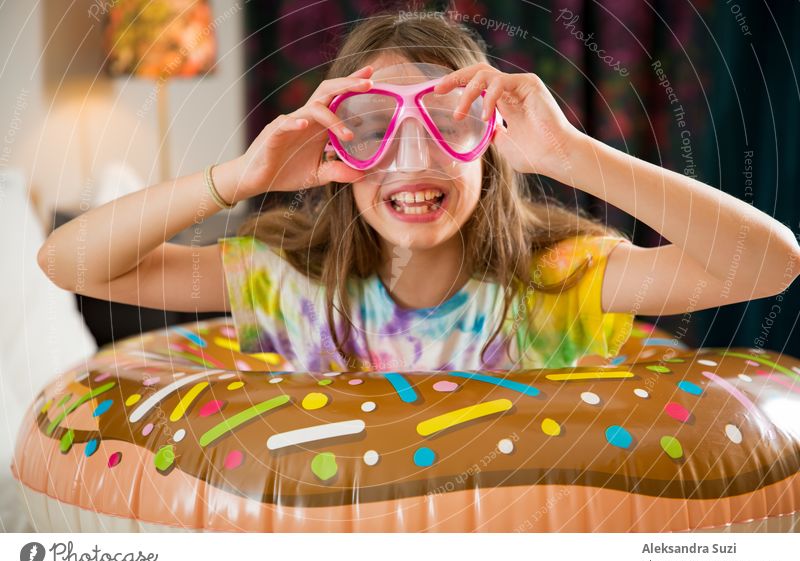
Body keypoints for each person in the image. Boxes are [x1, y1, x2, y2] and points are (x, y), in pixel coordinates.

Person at [39, 12, 799, 373]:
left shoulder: (559, 280)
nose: (412, 160)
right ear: (335, 151)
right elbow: (71, 263)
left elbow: (769, 264)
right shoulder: (285, 281)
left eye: (446, 123)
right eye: (372, 127)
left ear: (492, 148)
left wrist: (570, 153)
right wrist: (236, 179)